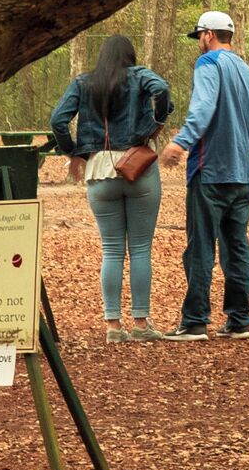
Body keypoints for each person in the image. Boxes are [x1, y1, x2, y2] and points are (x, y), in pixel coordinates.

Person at [43, 35, 173, 336]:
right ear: (130, 55)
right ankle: (141, 323)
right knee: (140, 249)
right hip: (137, 163)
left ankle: (113, 325)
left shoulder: (83, 82)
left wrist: (73, 151)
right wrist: (155, 124)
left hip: (99, 168)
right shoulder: (139, 75)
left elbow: (58, 120)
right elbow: (162, 90)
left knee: (112, 249)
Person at [168, 7, 249, 339]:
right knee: (236, 246)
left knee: (200, 247)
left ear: (208, 35)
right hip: (242, 177)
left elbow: (203, 107)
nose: (198, 42)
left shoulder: (208, 63)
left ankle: (195, 320)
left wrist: (181, 143)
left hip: (209, 173)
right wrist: (244, 158)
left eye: (199, 36)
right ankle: (239, 319)